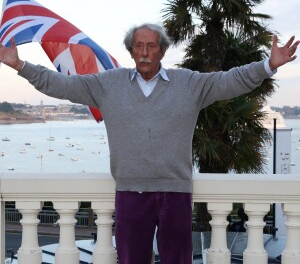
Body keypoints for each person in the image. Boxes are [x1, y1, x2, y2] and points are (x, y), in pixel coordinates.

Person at [0, 23, 299, 264]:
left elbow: (229, 81)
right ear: (131, 51)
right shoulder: (107, 85)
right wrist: (20, 65)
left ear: (162, 51)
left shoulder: (190, 84)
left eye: (151, 46)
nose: (144, 52)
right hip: (130, 193)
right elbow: (61, 84)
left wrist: (268, 65)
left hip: (176, 192)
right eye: (138, 46)